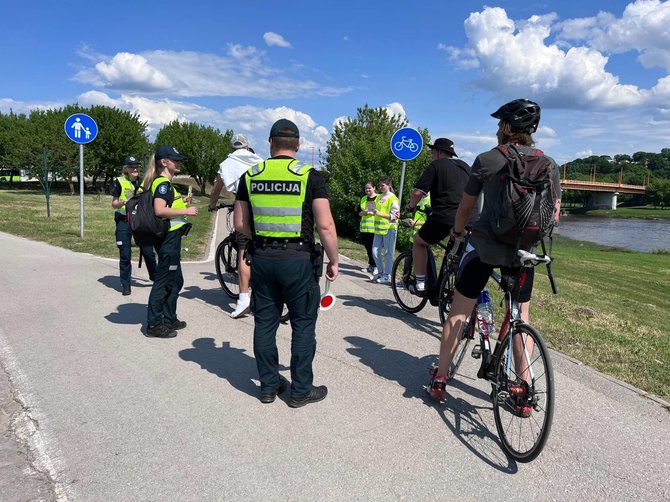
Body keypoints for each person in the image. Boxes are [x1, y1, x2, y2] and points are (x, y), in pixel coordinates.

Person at [427, 99, 561, 401]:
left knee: (459, 312)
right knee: (520, 315)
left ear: (506, 127)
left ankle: (440, 378)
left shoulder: (488, 159)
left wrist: (458, 232)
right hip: (524, 251)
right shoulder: (549, 164)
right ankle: (522, 388)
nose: (497, 128)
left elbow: (466, 207)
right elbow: (553, 213)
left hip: (484, 247)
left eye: (500, 123)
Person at [234, 118, 339, 407]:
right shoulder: (310, 176)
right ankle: (300, 390)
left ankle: (268, 386)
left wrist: (263, 237)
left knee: (265, 324)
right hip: (299, 260)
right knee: (303, 325)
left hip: (264, 258)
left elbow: (239, 222)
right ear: (298, 145)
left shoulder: (251, 176)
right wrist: (334, 259)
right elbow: (326, 226)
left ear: (270, 143)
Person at [142, 145, 199, 339]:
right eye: (176, 160)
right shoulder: (163, 184)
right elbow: (159, 210)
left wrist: (181, 201)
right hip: (168, 240)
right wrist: (186, 211)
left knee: (176, 280)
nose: (179, 163)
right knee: (164, 282)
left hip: (171, 239)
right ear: (163, 162)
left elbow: (166, 206)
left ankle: (169, 317)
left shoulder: (165, 184)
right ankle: (154, 324)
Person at [209, 133, 263, 318]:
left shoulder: (227, 164)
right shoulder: (259, 161)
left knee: (243, 249)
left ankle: (243, 299)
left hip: (245, 209)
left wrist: (212, 205)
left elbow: (217, 188)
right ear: (248, 147)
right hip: (263, 210)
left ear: (233, 149)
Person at [405, 138, 470, 294]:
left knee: (419, 242)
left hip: (445, 216)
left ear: (439, 152)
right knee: (458, 254)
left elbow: (418, 193)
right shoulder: (466, 167)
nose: (432, 154)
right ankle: (450, 287)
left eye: (433, 151)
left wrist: (411, 206)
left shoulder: (436, 165)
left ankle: (420, 283)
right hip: (470, 217)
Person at [110, 155, 157, 296]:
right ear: (126, 169)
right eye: (131, 167)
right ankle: (126, 284)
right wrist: (123, 203)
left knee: (148, 251)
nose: (135, 169)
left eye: (136, 166)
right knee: (125, 254)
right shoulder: (119, 182)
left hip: (140, 220)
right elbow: (114, 204)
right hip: (124, 220)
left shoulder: (144, 182)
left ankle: (155, 277)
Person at [371, 177, 399, 284]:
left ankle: (387, 275)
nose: (380, 187)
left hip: (389, 229)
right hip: (378, 229)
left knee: (388, 253)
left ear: (389, 185)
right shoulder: (379, 197)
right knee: (375, 251)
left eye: (383, 185)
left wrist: (379, 214)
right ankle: (381, 272)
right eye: (380, 185)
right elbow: (376, 210)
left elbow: (396, 216)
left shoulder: (393, 198)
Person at [357, 181, 378, 275]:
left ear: (374, 188)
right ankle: (371, 266)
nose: (367, 190)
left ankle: (377, 267)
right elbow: (359, 212)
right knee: (368, 249)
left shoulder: (379, 198)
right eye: (366, 188)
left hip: (375, 228)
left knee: (374, 249)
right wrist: (364, 212)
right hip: (364, 227)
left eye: (369, 188)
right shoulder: (364, 198)